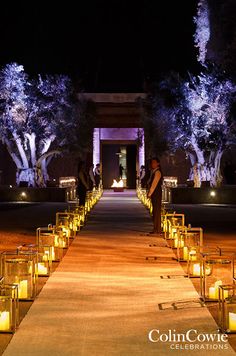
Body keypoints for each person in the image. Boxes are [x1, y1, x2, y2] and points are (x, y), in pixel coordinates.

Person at [147, 157, 163, 235]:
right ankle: (156, 228)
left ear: (158, 163)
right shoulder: (153, 171)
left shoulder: (157, 172)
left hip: (156, 193)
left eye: (154, 162)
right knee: (154, 211)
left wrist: (150, 193)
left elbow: (154, 183)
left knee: (157, 211)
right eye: (152, 162)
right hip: (154, 193)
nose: (152, 164)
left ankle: (157, 229)